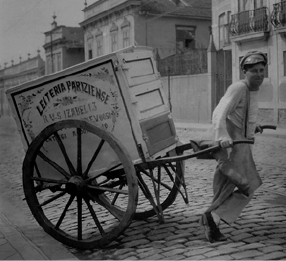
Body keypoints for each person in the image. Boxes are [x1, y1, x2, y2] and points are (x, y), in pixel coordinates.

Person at [200, 51, 267, 243]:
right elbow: (219, 112)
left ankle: (212, 220)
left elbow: (241, 113)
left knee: (226, 187)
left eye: (262, 70)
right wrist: (221, 136)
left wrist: (252, 125)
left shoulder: (252, 90)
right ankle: (212, 219)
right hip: (231, 145)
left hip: (240, 144)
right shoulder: (238, 87)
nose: (259, 74)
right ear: (244, 71)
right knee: (246, 186)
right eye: (254, 71)